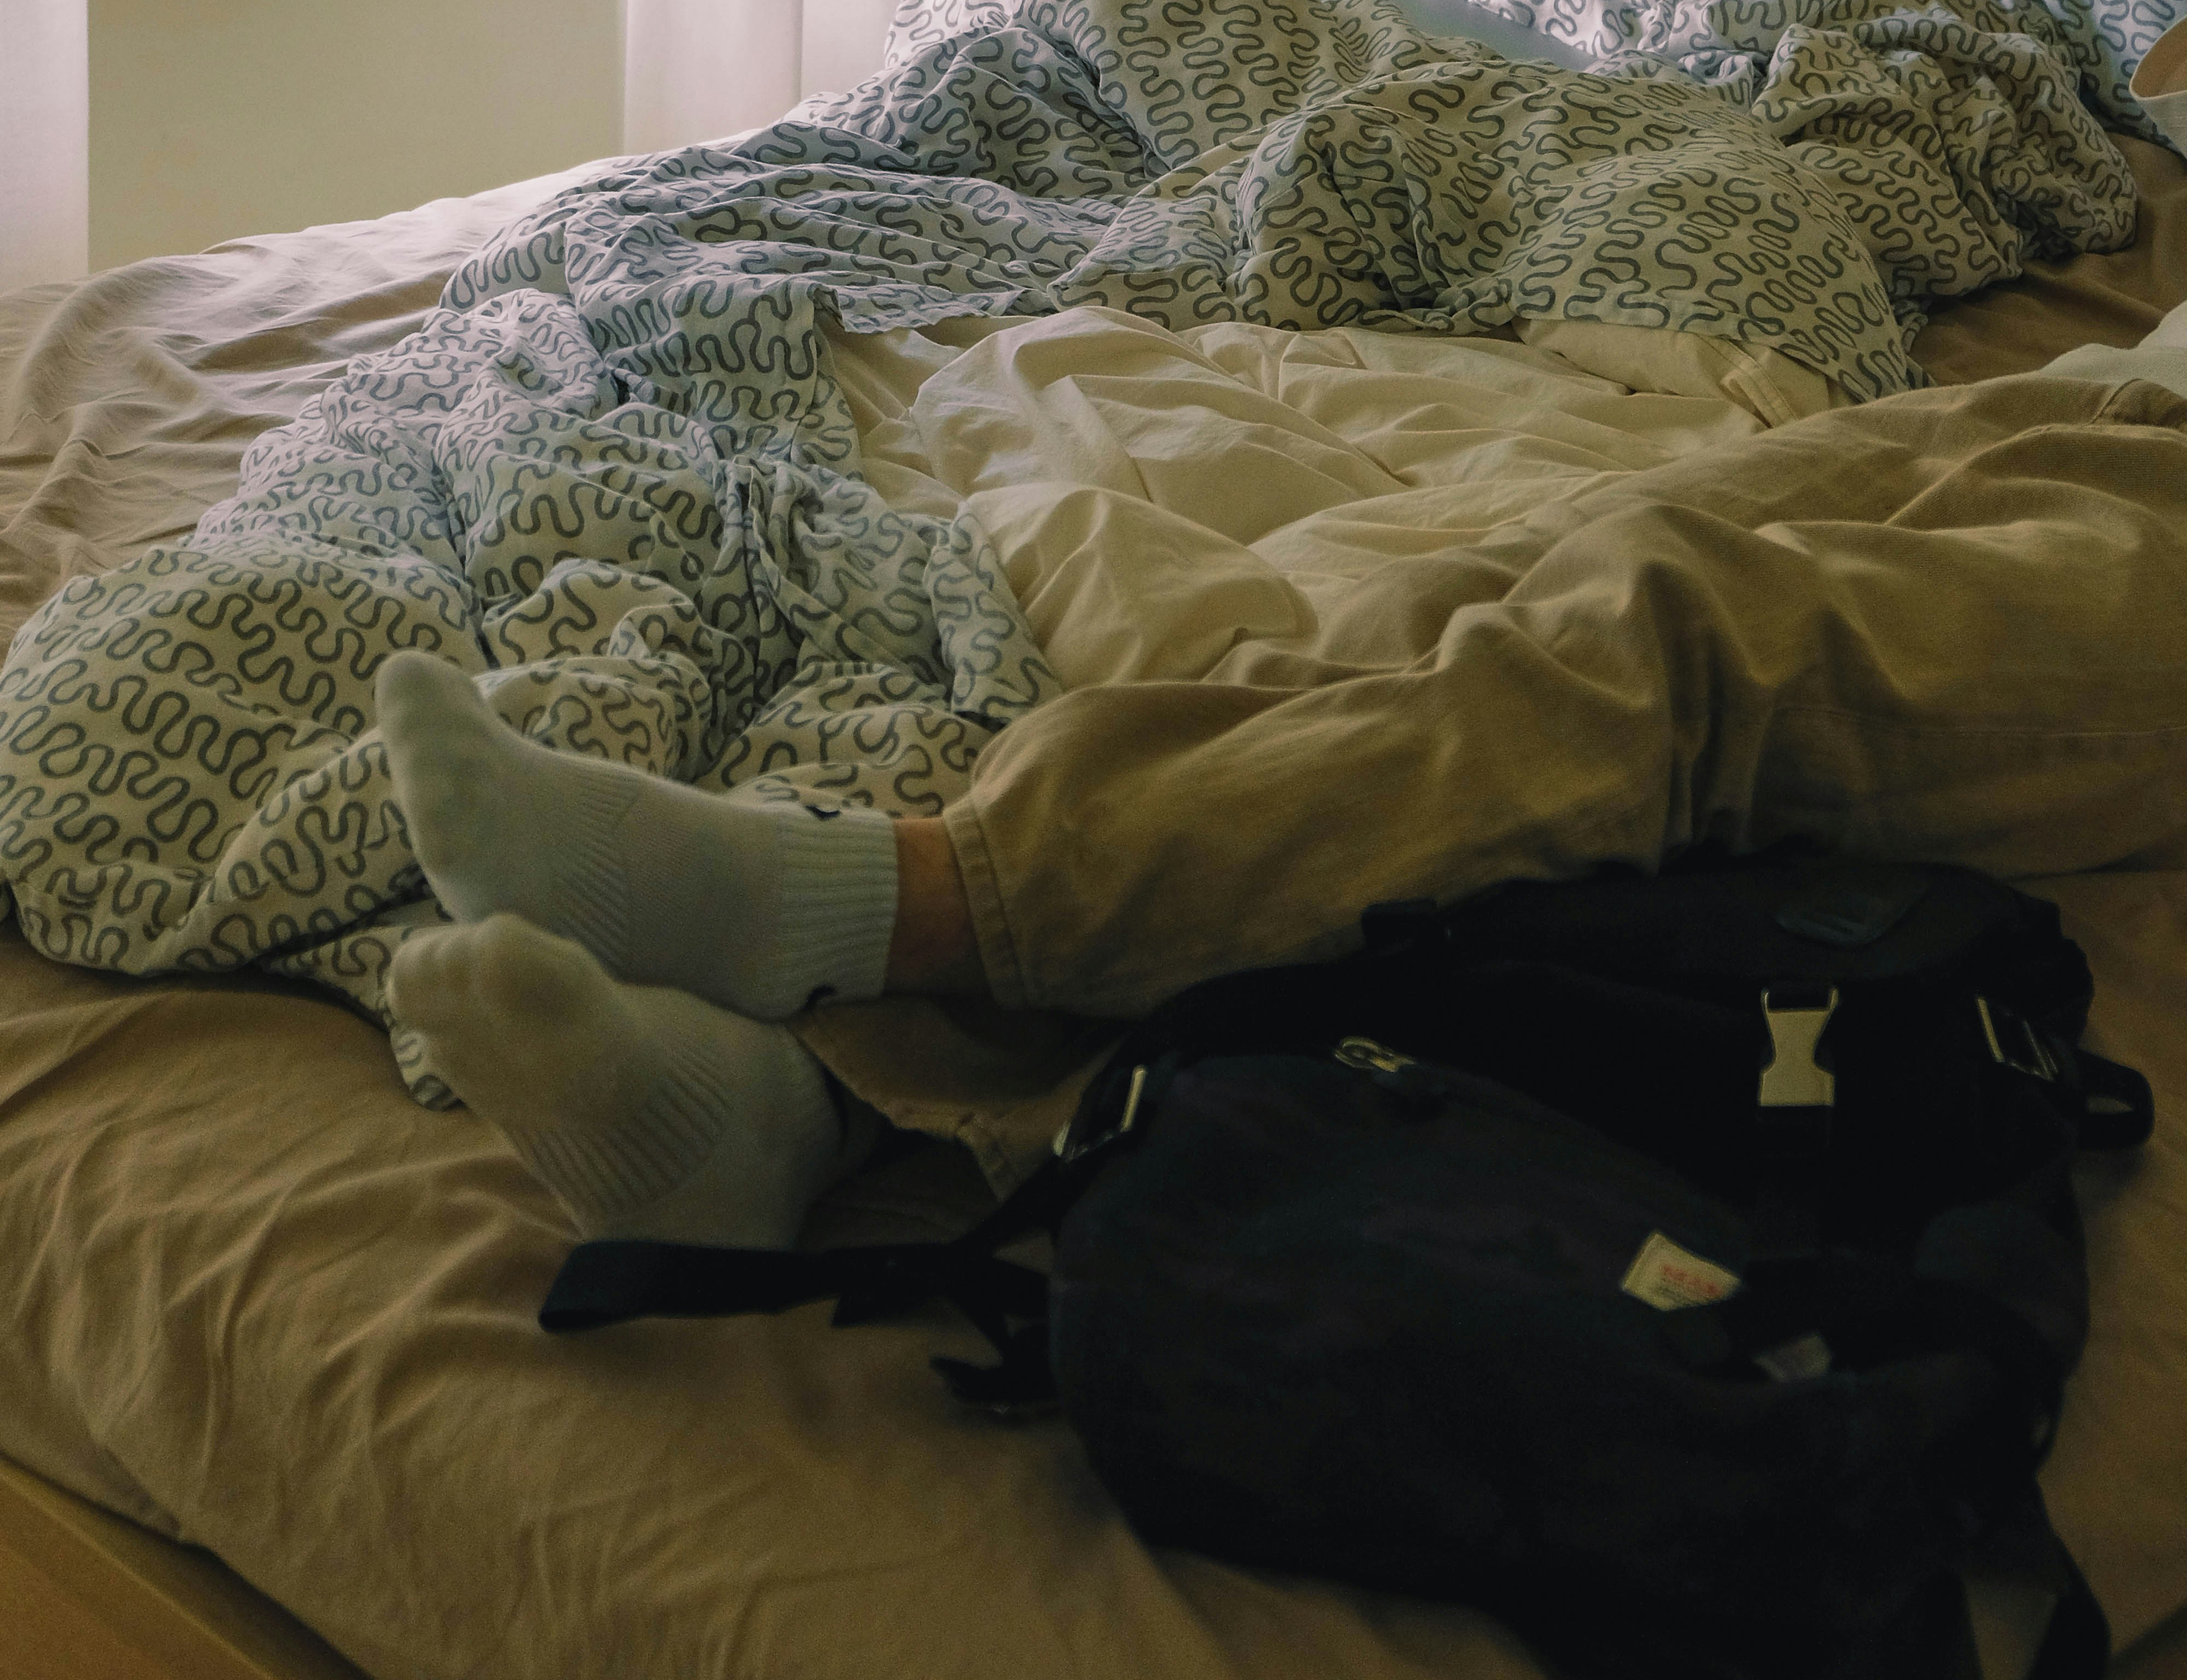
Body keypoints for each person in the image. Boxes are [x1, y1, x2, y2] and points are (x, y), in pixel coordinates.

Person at [385, 340, 2187, 1253]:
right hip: (2113, 388)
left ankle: (868, 908)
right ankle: (812, 1111)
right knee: (1490, 597)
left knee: (1685, 654)